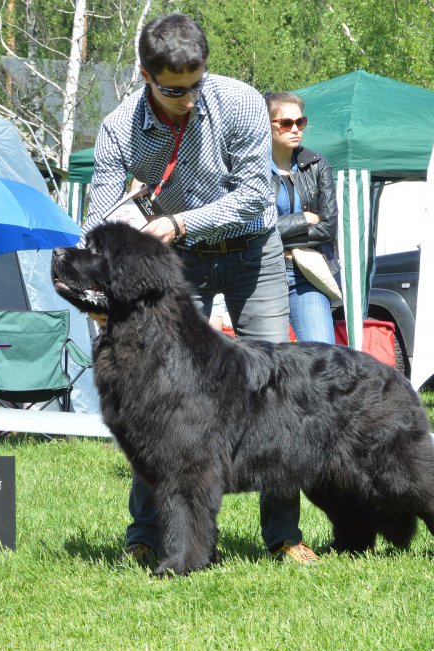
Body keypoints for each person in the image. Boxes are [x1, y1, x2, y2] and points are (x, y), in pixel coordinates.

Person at [83, 14, 317, 566]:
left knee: (274, 389)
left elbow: (255, 196)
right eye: (173, 90)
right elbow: (99, 217)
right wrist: (97, 288)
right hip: (179, 262)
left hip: (251, 252)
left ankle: (283, 536)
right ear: (146, 75)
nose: (187, 98)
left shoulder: (238, 102)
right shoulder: (119, 128)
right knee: (154, 393)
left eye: (195, 85)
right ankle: (147, 535)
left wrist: (179, 222)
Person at [266, 91, 339, 344]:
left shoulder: (317, 165)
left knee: (324, 355)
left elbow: (328, 228)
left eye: (301, 122)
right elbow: (252, 229)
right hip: (262, 273)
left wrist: (276, 233)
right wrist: (303, 219)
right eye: (286, 123)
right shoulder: (253, 168)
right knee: (268, 359)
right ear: (267, 125)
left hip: (306, 272)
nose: (296, 129)